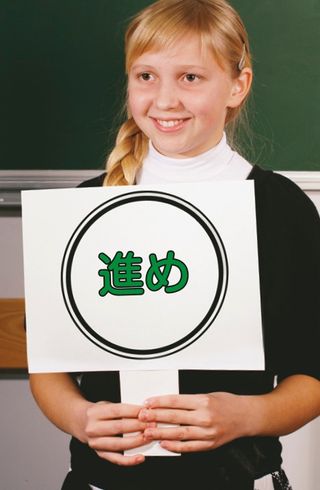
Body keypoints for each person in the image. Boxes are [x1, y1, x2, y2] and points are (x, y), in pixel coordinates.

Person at [29, 1, 320, 489]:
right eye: (146, 76)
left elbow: (312, 377)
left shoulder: (279, 209)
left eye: (190, 77)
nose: (164, 99)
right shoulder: (88, 209)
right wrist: (80, 418)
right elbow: (49, 368)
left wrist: (246, 415)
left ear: (237, 86)